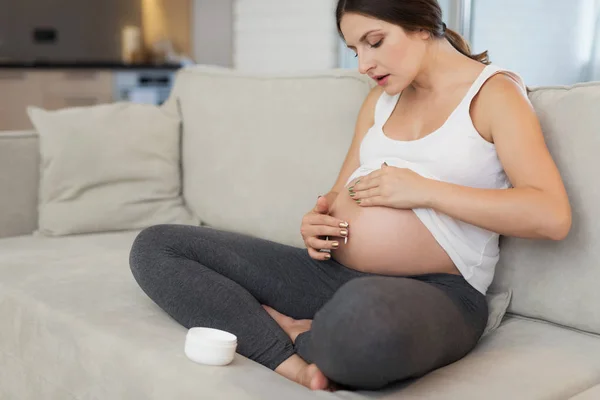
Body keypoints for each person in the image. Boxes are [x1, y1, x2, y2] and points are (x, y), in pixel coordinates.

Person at [129, 0, 572, 392]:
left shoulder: (493, 94)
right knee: (157, 247)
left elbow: (551, 215)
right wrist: (315, 221)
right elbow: (337, 194)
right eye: (355, 49)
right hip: (328, 276)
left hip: (438, 293)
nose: (364, 63)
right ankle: (291, 360)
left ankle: (299, 333)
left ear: (422, 23)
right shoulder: (380, 100)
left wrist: (425, 191)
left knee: (368, 327)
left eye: (374, 41)